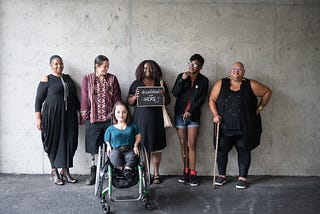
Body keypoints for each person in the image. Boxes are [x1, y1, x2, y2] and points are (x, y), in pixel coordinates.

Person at [208, 61, 272, 189]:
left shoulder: (251, 84)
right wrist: (215, 115)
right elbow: (212, 100)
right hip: (224, 126)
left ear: (243, 72)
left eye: (239, 69)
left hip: (245, 127)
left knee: (244, 150)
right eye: (234, 68)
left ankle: (242, 177)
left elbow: (267, 92)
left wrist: (259, 108)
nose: (236, 71)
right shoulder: (221, 83)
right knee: (221, 150)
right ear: (230, 71)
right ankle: (221, 175)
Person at [35, 55, 80, 185]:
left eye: (60, 63)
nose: (59, 66)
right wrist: (38, 118)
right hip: (52, 116)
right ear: (51, 65)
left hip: (69, 116)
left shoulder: (67, 78)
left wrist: (79, 112)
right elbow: (38, 100)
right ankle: (54, 171)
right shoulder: (46, 79)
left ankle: (65, 171)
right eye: (56, 64)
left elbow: (74, 97)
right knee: (53, 141)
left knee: (70, 141)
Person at [127, 60, 170, 184]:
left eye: (151, 68)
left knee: (156, 147)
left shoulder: (160, 83)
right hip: (141, 120)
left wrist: (164, 94)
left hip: (156, 119)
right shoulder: (136, 84)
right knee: (144, 147)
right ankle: (146, 173)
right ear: (141, 70)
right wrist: (135, 96)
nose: (148, 71)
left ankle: (156, 173)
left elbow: (167, 101)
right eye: (145, 68)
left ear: (155, 70)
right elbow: (129, 101)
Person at [81, 55, 121, 185]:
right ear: (96, 66)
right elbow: (84, 97)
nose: (107, 68)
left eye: (107, 66)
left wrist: (117, 116)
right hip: (93, 119)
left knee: (112, 145)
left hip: (109, 119)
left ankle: (110, 169)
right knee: (93, 147)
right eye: (104, 66)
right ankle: (94, 170)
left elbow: (117, 98)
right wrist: (85, 115)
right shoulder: (88, 79)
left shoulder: (112, 79)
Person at [172, 54, 209, 186]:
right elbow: (175, 93)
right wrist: (182, 80)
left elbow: (201, 99)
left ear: (201, 66)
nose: (191, 66)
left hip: (193, 116)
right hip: (179, 115)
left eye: (195, 64)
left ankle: (193, 173)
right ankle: (185, 171)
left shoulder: (204, 80)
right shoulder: (182, 76)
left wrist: (190, 111)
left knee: (191, 144)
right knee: (183, 145)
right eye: (190, 63)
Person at [104, 101, 141, 178]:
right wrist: (108, 146)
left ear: (127, 113)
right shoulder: (110, 128)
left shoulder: (132, 126)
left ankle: (128, 170)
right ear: (114, 113)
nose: (121, 115)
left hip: (130, 148)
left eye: (124, 112)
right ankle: (119, 170)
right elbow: (106, 139)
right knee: (114, 156)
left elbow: (138, 135)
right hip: (116, 149)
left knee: (133, 156)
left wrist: (136, 145)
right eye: (118, 112)